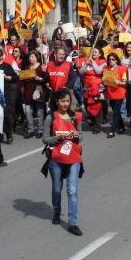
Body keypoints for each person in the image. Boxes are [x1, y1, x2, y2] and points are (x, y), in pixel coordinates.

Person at [42, 88, 83, 236]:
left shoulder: (75, 116)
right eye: (62, 101)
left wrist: (77, 136)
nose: (65, 104)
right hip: (57, 157)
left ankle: (72, 223)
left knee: (72, 191)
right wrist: (57, 138)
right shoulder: (50, 118)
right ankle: (56, 211)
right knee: (57, 189)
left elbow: (81, 135)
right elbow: (45, 138)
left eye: (67, 101)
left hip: (73, 157)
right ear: (56, 101)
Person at [0, 48, 20, 144]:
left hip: (5, 94)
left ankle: (8, 134)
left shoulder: (7, 66)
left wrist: (6, 77)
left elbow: (15, 77)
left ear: (1, 56)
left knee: (5, 115)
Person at [20, 50, 48, 138]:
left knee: (40, 112)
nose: (30, 58)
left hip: (38, 92)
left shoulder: (41, 67)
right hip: (28, 92)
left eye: (32, 57)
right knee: (28, 112)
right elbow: (22, 80)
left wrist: (39, 78)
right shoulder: (26, 67)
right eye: (29, 57)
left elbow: (46, 79)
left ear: (37, 58)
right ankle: (30, 130)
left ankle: (40, 130)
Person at [103, 53, 128, 138]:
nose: (111, 61)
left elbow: (125, 82)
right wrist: (103, 80)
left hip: (119, 93)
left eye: (113, 59)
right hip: (110, 93)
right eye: (109, 59)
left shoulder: (122, 69)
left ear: (116, 60)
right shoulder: (106, 69)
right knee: (115, 112)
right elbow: (105, 83)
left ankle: (112, 130)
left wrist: (119, 82)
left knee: (116, 112)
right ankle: (122, 127)